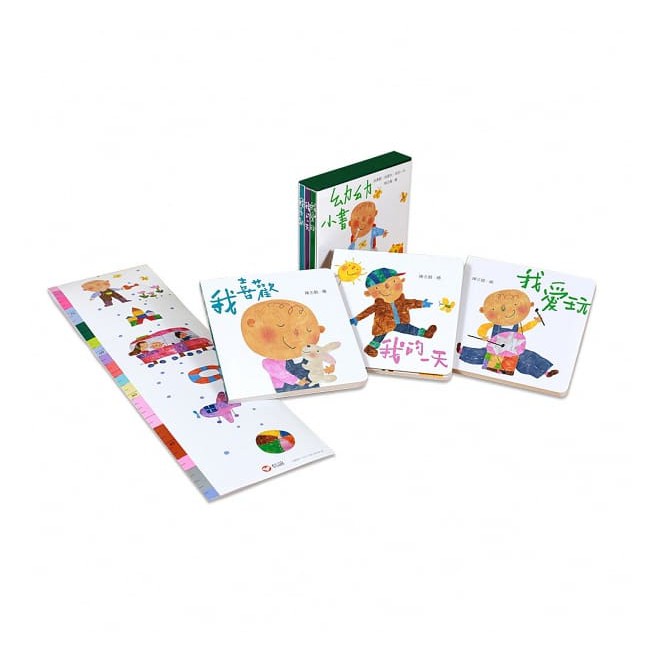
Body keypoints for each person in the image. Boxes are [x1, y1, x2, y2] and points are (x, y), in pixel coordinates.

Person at [458, 288, 558, 378]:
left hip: (513, 350)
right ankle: (462, 351)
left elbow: (526, 327)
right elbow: (483, 328)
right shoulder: (495, 323)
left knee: (528, 357)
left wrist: (535, 322)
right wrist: (483, 335)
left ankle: (545, 372)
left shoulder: (516, 326)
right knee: (483, 354)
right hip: (496, 348)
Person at [241, 300, 325, 392]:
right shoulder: (269, 361)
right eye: (281, 325)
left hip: (310, 383)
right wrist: (296, 381)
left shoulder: (306, 352)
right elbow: (280, 373)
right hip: (287, 387)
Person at [351, 268, 437, 357]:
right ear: (369, 293)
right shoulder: (379, 304)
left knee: (410, 329)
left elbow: (411, 303)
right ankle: (370, 348)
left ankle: (425, 333)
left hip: (400, 322)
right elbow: (368, 311)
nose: (387, 289)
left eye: (394, 282)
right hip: (384, 325)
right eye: (378, 288)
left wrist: (422, 303)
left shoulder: (401, 301)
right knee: (379, 336)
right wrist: (357, 318)